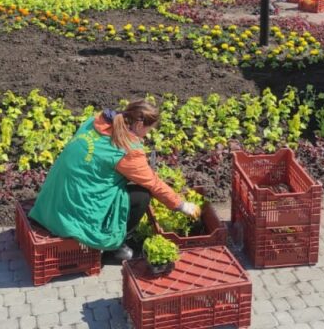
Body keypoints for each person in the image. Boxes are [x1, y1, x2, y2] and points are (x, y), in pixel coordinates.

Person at [29, 100, 200, 261]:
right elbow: (153, 183)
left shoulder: (95, 122)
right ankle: (115, 248)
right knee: (142, 195)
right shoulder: (127, 150)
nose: (148, 135)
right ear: (139, 125)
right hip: (74, 214)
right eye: (149, 130)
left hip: (50, 202)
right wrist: (182, 206)